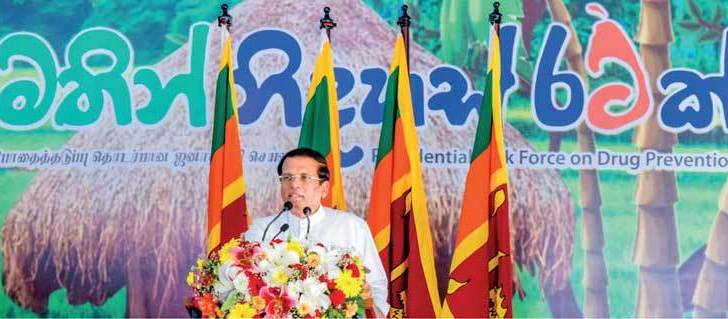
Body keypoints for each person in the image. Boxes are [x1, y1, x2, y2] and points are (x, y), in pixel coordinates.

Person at [245, 147, 389, 316]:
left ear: (324, 188)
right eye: (287, 178)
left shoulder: (352, 227)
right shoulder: (261, 229)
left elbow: (376, 285)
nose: (294, 184)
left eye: (305, 178)